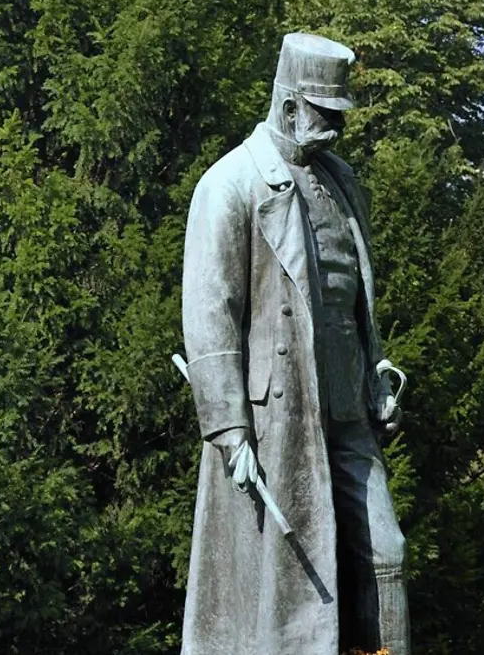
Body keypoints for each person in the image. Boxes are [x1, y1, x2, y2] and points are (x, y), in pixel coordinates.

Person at [179, 32, 408, 655]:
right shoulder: (230, 185)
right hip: (275, 415)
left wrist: (375, 364)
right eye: (324, 115)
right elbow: (208, 311)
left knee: (386, 550)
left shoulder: (343, 182)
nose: (336, 129)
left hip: (348, 407)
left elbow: (351, 292)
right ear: (288, 107)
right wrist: (228, 427)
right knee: (285, 587)